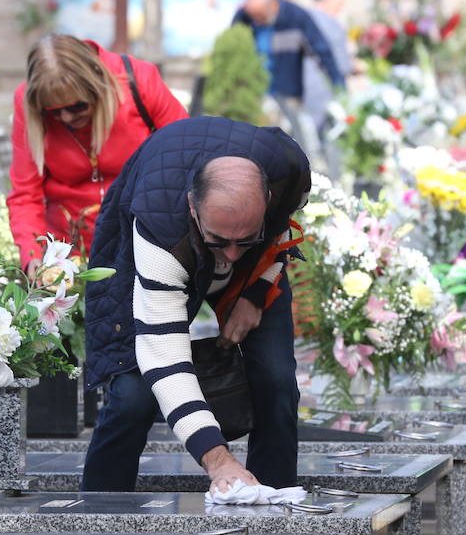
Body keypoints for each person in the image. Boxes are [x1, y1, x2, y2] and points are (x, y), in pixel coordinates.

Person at [79, 117, 310, 493]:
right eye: (220, 240)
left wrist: (254, 293)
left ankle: (274, 507)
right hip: (163, 240)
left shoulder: (287, 172)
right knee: (132, 397)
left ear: (266, 200)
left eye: (245, 240)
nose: (232, 255)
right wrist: (218, 461)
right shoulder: (160, 233)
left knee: (276, 381)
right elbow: (165, 357)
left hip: (257, 260)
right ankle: (99, 519)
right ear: (192, 207)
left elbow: (282, 230)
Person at [7, 34, 187, 271]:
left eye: (77, 106)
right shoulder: (26, 103)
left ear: (98, 83)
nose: (67, 118)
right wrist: (32, 255)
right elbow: (25, 193)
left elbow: (186, 157)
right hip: (69, 258)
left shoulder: (138, 81)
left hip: (147, 244)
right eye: (53, 112)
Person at [231, 0, 346, 163]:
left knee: (295, 143)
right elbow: (231, 50)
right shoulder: (243, 17)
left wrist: (338, 83)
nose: (256, 21)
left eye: (259, 16)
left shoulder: (296, 17)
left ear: (273, 5)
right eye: (253, 16)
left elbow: (322, 50)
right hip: (254, 92)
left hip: (286, 91)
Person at [302, 0, 353, 176]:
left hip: (301, 95)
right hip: (324, 99)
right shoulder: (332, 25)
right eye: (342, 0)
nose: (342, 5)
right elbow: (342, 66)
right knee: (330, 163)